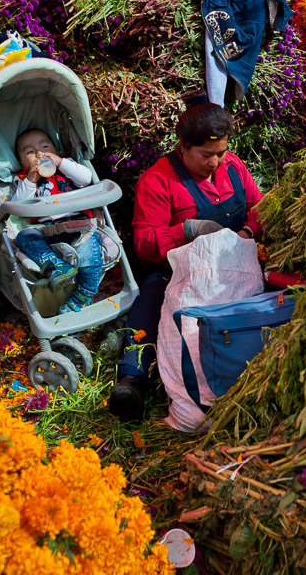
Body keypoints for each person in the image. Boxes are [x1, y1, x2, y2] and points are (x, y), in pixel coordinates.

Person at [109, 98, 264, 420]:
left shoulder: (233, 167)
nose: (216, 162)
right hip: (175, 272)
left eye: (221, 152)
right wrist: (187, 230)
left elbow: (260, 207)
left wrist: (249, 231)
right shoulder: (158, 180)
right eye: (207, 155)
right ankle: (133, 379)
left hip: (236, 264)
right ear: (183, 146)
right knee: (151, 304)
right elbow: (144, 245)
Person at [9, 128, 103, 315]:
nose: (39, 153)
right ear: (21, 162)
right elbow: (18, 206)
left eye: (45, 147)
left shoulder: (66, 167)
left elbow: (86, 179)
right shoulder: (24, 180)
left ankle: (83, 295)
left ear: (57, 151)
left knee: (90, 257)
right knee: (24, 236)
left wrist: (60, 162)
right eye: (30, 152)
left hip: (79, 227)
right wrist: (31, 179)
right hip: (46, 230)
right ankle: (55, 267)